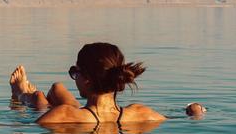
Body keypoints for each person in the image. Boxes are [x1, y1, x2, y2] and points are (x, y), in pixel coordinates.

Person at [9, 42, 168, 125]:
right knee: (57, 88)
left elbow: (7, 126)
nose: (74, 77)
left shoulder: (62, 114)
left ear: (86, 78)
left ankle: (22, 94)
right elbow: (177, 118)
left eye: (75, 72)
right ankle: (36, 98)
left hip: (81, 115)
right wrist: (194, 112)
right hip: (91, 115)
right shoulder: (142, 112)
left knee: (42, 99)